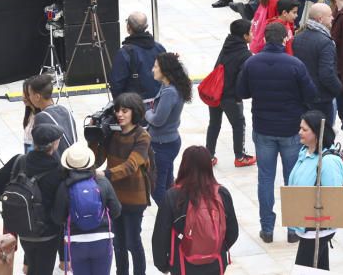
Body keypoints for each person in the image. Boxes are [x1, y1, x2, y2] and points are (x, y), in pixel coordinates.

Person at [236, 21, 318, 243]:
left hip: (263, 128)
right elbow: (311, 94)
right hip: (291, 129)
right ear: (285, 39)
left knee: (265, 178)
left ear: (264, 39)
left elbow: (241, 91)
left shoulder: (252, 63)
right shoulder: (295, 64)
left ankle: (267, 229)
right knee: (293, 179)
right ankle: (294, 229)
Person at [0, 123, 66, 275]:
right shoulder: (58, 171)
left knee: (33, 266)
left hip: (24, 229)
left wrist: (11, 202)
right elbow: (61, 204)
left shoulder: (19, 161)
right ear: (54, 144)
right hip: (48, 233)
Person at [89, 92, 153, 275]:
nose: (120, 114)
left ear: (135, 112)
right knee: (118, 243)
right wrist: (94, 138)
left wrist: (106, 174)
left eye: (125, 111)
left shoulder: (142, 136)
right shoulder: (112, 133)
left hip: (135, 198)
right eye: (117, 110)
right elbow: (97, 160)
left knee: (133, 242)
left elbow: (131, 166)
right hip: (114, 197)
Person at [151, 146, 239, 275]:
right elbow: (233, 232)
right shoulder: (222, 194)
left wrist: (163, 265)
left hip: (183, 266)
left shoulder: (173, 196)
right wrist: (216, 247)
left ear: (184, 166)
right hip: (215, 264)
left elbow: (160, 236)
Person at [287, 111, 343, 269]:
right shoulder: (305, 152)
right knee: (319, 268)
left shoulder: (329, 162)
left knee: (304, 269)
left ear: (317, 132)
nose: (300, 132)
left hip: (317, 229)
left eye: (305, 130)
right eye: (300, 128)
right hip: (306, 224)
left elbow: (334, 199)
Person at [53, 142, 122, 275]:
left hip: (77, 243)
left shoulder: (64, 187)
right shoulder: (102, 182)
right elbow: (116, 211)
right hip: (102, 241)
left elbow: (57, 217)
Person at [205, 19, 255, 168]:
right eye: (251, 32)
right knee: (239, 124)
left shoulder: (227, 45)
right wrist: (240, 96)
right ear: (245, 36)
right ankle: (240, 156)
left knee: (214, 124)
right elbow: (242, 79)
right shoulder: (245, 54)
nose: (253, 34)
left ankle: (209, 156)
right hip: (230, 96)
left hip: (215, 92)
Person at [146, 53, 192, 205]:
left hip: (161, 145)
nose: (153, 70)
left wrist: (145, 112)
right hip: (168, 141)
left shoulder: (169, 92)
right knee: (168, 184)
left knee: (157, 189)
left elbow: (158, 120)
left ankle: (170, 216)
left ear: (165, 70)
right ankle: (174, 213)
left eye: (156, 66)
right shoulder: (170, 86)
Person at [293, 2, 343, 122]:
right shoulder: (326, 42)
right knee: (322, 136)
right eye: (330, 15)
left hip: (302, 96)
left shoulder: (298, 38)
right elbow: (327, 74)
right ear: (320, 19)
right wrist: (340, 89)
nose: (332, 18)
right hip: (321, 99)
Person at [109, 12, 167, 98]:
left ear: (128, 27)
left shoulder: (124, 53)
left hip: (135, 105)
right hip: (157, 101)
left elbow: (116, 84)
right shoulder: (160, 48)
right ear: (146, 27)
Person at [26, 74, 77, 158]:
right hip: (73, 160)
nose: (29, 97)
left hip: (58, 166)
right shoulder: (64, 109)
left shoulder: (40, 117)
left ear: (37, 97)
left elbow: (41, 149)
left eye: (29, 94)